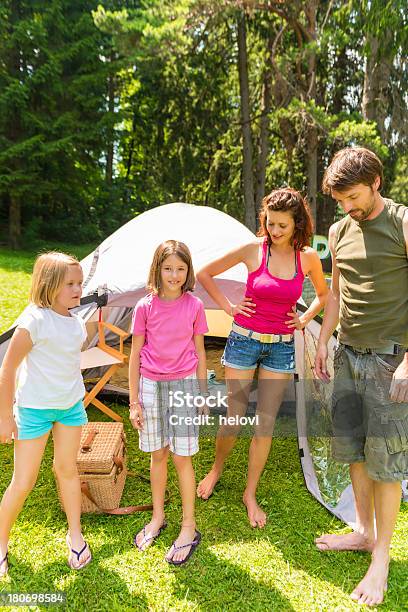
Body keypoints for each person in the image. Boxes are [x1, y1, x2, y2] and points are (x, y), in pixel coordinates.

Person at [196, 187, 328, 527]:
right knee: (235, 417)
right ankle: (216, 470)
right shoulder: (253, 250)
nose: (275, 231)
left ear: (297, 224)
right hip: (243, 342)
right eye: (270, 223)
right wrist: (228, 307)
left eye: (282, 225)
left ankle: (249, 493)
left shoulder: (308, 258)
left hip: (282, 347)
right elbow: (204, 274)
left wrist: (303, 318)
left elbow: (325, 295)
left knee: (265, 423)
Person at [314, 147, 408, 607]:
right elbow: (335, 292)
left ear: (375, 182)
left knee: (385, 461)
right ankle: (364, 533)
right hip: (346, 355)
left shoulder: (402, 223)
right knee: (353, 449)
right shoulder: (337, 231)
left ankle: (383, 558)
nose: (347, 207)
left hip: (392, 360)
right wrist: (321, 339)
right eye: (340, 200)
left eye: (352, 196)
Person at [0, 252, 91, 576]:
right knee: (23, 481)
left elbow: (65, 361)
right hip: (33, 410)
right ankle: (0, 543)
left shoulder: (76, 322)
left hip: (69, 408)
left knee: (67, 470)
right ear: (49, 285)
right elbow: (7, 369)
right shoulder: (33, 321)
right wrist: (5, 417)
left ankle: (75, 534)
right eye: (70, 284)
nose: (78, 289)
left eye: (79, 283)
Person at [129, 240, 209, 565]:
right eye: (168, 268)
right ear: (157, 270)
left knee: (181, 458)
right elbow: (134, 354)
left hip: (185, 385)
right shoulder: (144, 307)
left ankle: (189, 525)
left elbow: (201, 352)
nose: (174, 275)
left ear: (188, 271)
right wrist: (134, 400)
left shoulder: (195, 306)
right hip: (150, 386)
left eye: (180, 268)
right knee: (158, 454)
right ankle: (158, 517)